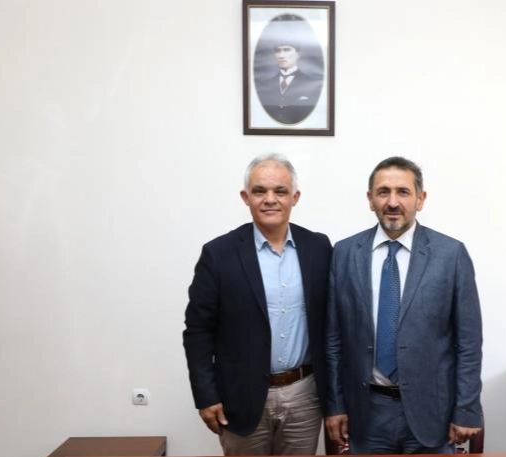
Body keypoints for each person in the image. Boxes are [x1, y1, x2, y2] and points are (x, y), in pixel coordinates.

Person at [325, 156, 483, 454]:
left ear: (420, 199)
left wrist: (466, 408)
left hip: (432, 412)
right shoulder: (344, 253)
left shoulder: (451, 255)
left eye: (403, 192)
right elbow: (334, 340)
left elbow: (469, 343)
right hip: (366, 413)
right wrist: (335, 405)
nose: (393, 202)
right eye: (383, 192)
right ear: (370, 199)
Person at [183, 153, 332, 455]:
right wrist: (206, 396)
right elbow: (198, 331)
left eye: (280, 191)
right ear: (245, 197)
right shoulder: (218, 254)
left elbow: (333, 323)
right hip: (241, 396)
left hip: (305, 396)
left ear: (295, 197)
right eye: (259, 191)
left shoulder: (319, 248)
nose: (270, 199)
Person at [255, 38, 323, 125]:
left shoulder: (312, 84)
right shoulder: (264, 85)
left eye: (287, 50)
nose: (281, 56)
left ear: (298, 54)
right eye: (277, 51)